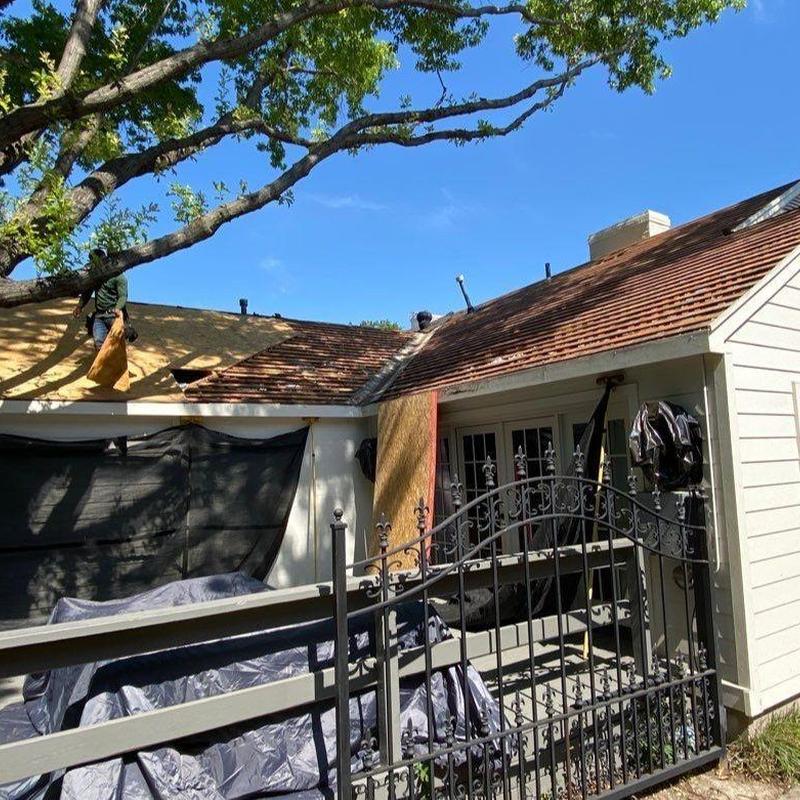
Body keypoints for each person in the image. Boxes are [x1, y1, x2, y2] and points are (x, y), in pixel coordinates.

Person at [73, 249, 128, 350]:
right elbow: (87, 293)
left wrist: (118, 308)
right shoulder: (94, 277)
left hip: (113, 315)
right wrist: (79, 306)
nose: (93, 263)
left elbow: (123, 296)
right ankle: (103, 363)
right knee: (99, 344)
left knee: (118, 341)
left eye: (95, 260)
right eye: (92, 261)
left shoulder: (118, 276)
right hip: (99, 316)